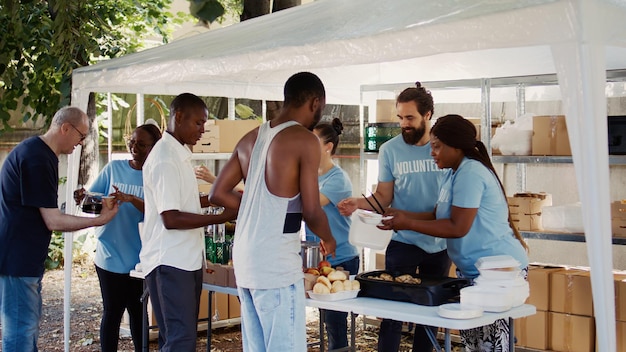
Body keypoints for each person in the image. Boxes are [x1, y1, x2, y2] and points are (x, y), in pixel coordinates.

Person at [209, 71, 337, 352]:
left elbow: (216, 193)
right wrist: (329, 238)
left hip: (245, 260)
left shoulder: (251, 137)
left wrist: (258, 208)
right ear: (315, 102)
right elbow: (312, 210)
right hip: (275, 264)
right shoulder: (304, 140)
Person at [379, 114, 529, 352]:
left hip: (498, 274)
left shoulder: (471, 172)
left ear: (456, 146)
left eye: (437, 147)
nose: (432, 153)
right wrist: (400, 216)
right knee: (475, 344)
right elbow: (438, 214)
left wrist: (407, 223)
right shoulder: (453, 171)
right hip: (474, 273)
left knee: (490, 346)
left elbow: (457, 227)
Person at [337, 82, 450, 352]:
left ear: (428, 114)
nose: (404, 124)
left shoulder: (445, 147)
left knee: (430, 314)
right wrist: (358, 203)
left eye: (409, 117)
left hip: (439, 241)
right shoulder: (389, 150)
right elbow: (383, 197)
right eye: (400, 117)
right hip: (402, 240)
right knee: (392, 312)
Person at [0, 106, 119, 352]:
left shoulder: (39, 153)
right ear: (65, 128)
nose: (82, 142)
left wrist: (95, 205)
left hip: (22, 259)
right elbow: (53, 220)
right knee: (21, 330)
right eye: (81, 135)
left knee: (26, 327)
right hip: (17, 260)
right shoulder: (37, 158)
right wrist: (99, 221)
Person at [140, 93, 238, 351]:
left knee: (177, 338)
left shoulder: (178, 153)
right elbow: (171, 218)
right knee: (180, 340)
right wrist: (222, 216)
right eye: (198, 123)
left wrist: (216, 199)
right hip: (170, 261)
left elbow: (184, 200)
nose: (202, 130)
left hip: (184, 260)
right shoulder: (164, 158)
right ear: (178, 117)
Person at [73, 123, 162, 352]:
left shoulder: (158, 175)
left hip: (141, 258)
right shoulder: (114, 167)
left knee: (138, 312)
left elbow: (161, 210)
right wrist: (83, 197)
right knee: (112, 312)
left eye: (141, 144)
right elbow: (91, 203)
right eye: (132, 141)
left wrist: (133, 199)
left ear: (154, 147)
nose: (134, 147)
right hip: (110, 253)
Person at [305, 118, 359, 350]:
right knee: (327, 319)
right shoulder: (309, 175)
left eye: (312, 141)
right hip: (319, 258)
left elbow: (312, 204)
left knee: (335, 322)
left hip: (341, 257)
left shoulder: (337, 178)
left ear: (328, 147)